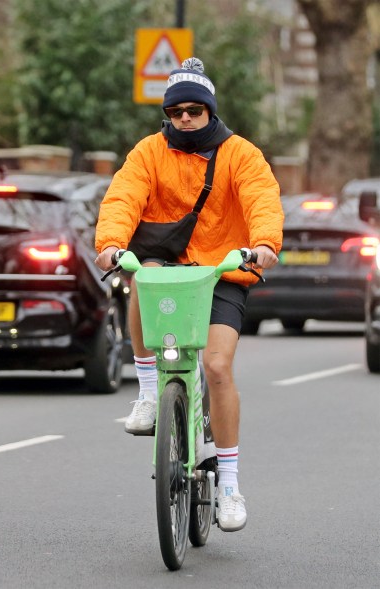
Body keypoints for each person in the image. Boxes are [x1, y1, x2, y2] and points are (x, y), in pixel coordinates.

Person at [95, 57, 284, 532]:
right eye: (176, 111)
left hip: (222, 271)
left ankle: (229, 486)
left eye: (194, 111)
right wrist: (111, 245)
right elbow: (123, 197)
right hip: (169, 266)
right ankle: (146, 395)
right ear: (167, 113)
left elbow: (262, 197)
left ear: (209, 111)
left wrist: (263, 245)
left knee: (217, 367)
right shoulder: (148, 152)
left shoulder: (240, 154)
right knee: (141, 275)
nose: (184, 118)